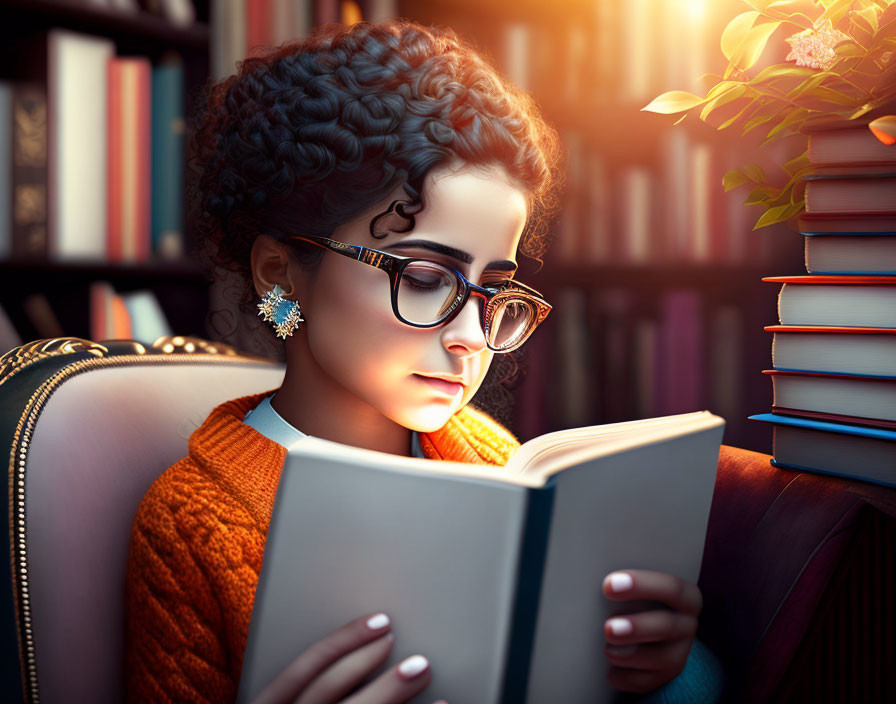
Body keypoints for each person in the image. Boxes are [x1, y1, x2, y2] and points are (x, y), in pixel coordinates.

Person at [124, 19, 725, 704]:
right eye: (424, 278)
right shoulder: (190, 526)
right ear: (280, 274)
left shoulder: (488, 454)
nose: (472, 335)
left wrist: (644, 664)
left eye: (493, 290)